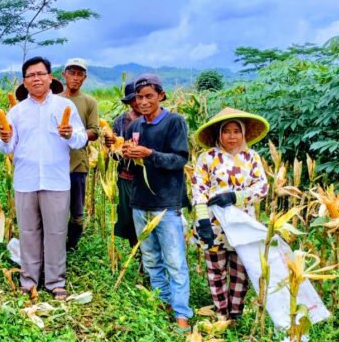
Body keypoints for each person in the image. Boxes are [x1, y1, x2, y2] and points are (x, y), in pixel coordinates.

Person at [0, 56, 87, 299]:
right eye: (30, 75)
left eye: (40, 74)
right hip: (25, 180)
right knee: (28, 230)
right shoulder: (16, 112)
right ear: (24, 82)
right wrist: (4, 139)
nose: (36, 78)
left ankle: (55, 281)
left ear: (50, 77)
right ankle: (28, 279)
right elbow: (6, 147)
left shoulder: (64, 107)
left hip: (56, 180)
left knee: (57, 231)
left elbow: (81, 139)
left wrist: (69, 134)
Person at [122, 73, 192, 331]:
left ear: (161, 96)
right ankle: (163, 303)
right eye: (139, 97)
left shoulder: (174, 122)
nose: (143, 102)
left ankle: (182, 314)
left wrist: (149, 154)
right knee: (150, 258)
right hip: (140, 201)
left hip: (167, 204)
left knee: (175, 261)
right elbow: (130, 162)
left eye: (149, 96)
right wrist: (124, 153)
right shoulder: (134, 127)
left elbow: (179, 160)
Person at [192, 108, 269, 322]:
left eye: (237, 131)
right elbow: (199, 191)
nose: (232, 136)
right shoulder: (207, 158)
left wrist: (236, 197)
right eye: (227, 131)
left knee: (240, 269)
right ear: (219, 134)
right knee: (216, 270)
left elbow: (262, 187)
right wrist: (203, 222)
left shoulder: (252, 158)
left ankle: (236, 312)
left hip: (243, 223)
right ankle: (221, 312)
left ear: (244, 134)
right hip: (214, 223)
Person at [59, 58, 99, 251]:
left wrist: (73, 134)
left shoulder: (89, 102)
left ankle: (71, 246)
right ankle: (55, 244)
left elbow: (95, 131)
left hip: (77, 164)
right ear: (63, 74)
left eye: (79, 74)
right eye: (72, 73)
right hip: (54, 165)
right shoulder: (54, 100)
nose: (75, 78)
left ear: (85, 78)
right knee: (56, 209)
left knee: (76, 210)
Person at [108, 82, 142, 250]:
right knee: (129, 219)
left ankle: (149, 258)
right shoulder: (121, 121)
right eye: (133, 99)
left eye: (140, 97)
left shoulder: (155, 121)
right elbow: (113, 154)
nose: (138, 102)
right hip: (126, 177)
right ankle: (136, 252)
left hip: (149, 179)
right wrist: (115, 148)